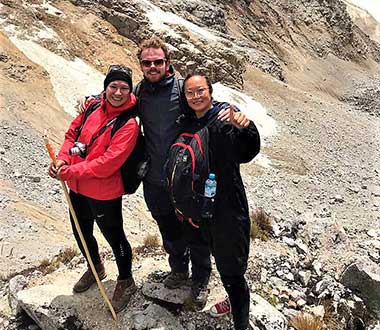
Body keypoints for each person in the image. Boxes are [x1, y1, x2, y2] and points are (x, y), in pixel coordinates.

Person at [48, 65, 139, 313]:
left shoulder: (129, 124)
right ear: (105, 87)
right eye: (113, 86)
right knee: (82, 232)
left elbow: (108, 163)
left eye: (124, 88)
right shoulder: (91, 107)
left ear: (130, 91)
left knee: (115, 237)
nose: (118, 92)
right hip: (77, 187)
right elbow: (71, 134)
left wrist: (69, 172)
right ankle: (95, 266)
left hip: (104, 193)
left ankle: (125, 279)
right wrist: (62, 159)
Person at [178, 73, 261, 330]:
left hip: (227, 206)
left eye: (200, 91)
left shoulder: (225, 117)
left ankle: (241, 324)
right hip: (198, 206)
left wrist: (246, 127)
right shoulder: (185, 122)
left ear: (210, 92)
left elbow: (247, 151)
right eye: (190, 92)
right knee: (207, 252)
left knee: (232, 269)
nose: (196, 96)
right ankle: (229, 297)